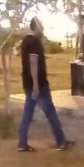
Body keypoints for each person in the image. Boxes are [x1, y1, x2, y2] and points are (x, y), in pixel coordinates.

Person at [17, 17, 72, 152]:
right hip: (38, 84)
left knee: (28, 114)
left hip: (29, 82)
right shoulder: (34, 41)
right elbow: (33, 62)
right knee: (49, 112)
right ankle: (61, 141)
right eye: (41, 26)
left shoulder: (25, 41)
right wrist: (36, 84)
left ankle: (22, 143)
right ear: (35, 27)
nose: (43, 29)